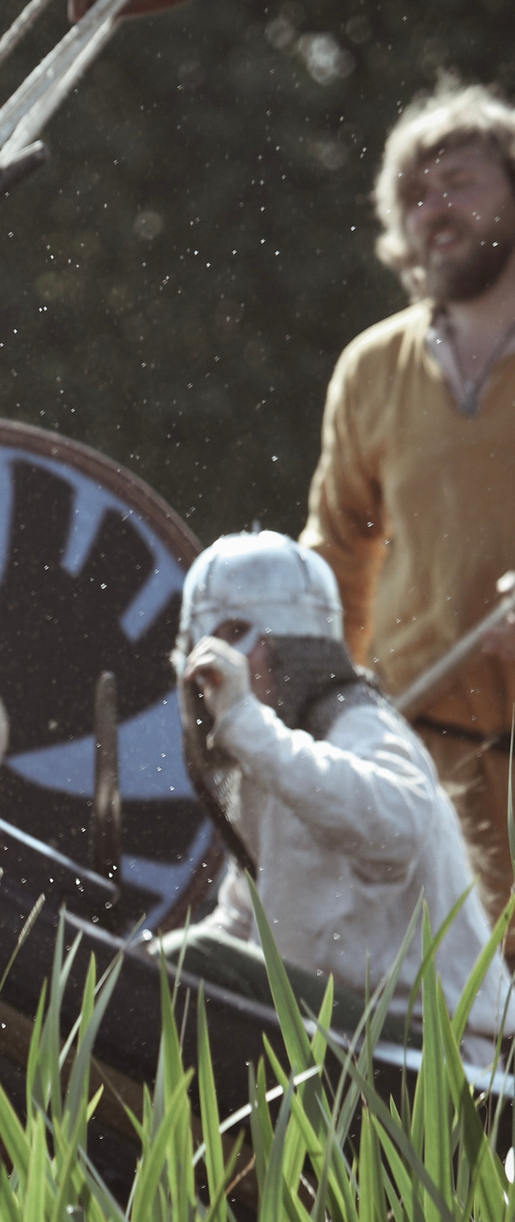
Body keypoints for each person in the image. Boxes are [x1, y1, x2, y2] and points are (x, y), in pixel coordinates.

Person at [153, 533, 514, 1055]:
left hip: (436, 1048)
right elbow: (244, 919)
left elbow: (399, 828)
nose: (218, 662)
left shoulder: (360, 725)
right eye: (204, 641)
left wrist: (251, 728)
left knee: (195, 958)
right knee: (174, 966)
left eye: (234, 634)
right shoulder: (267, 763)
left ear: (293, 641)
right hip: (344, 1034)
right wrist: (137, 966)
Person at [305, 82, 515, 929]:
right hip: (421, 757)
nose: (435, 209)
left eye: (460, 182)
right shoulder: (371, 368)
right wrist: (317, 704)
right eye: (416, 195)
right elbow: (336, 554)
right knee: (427, 995)